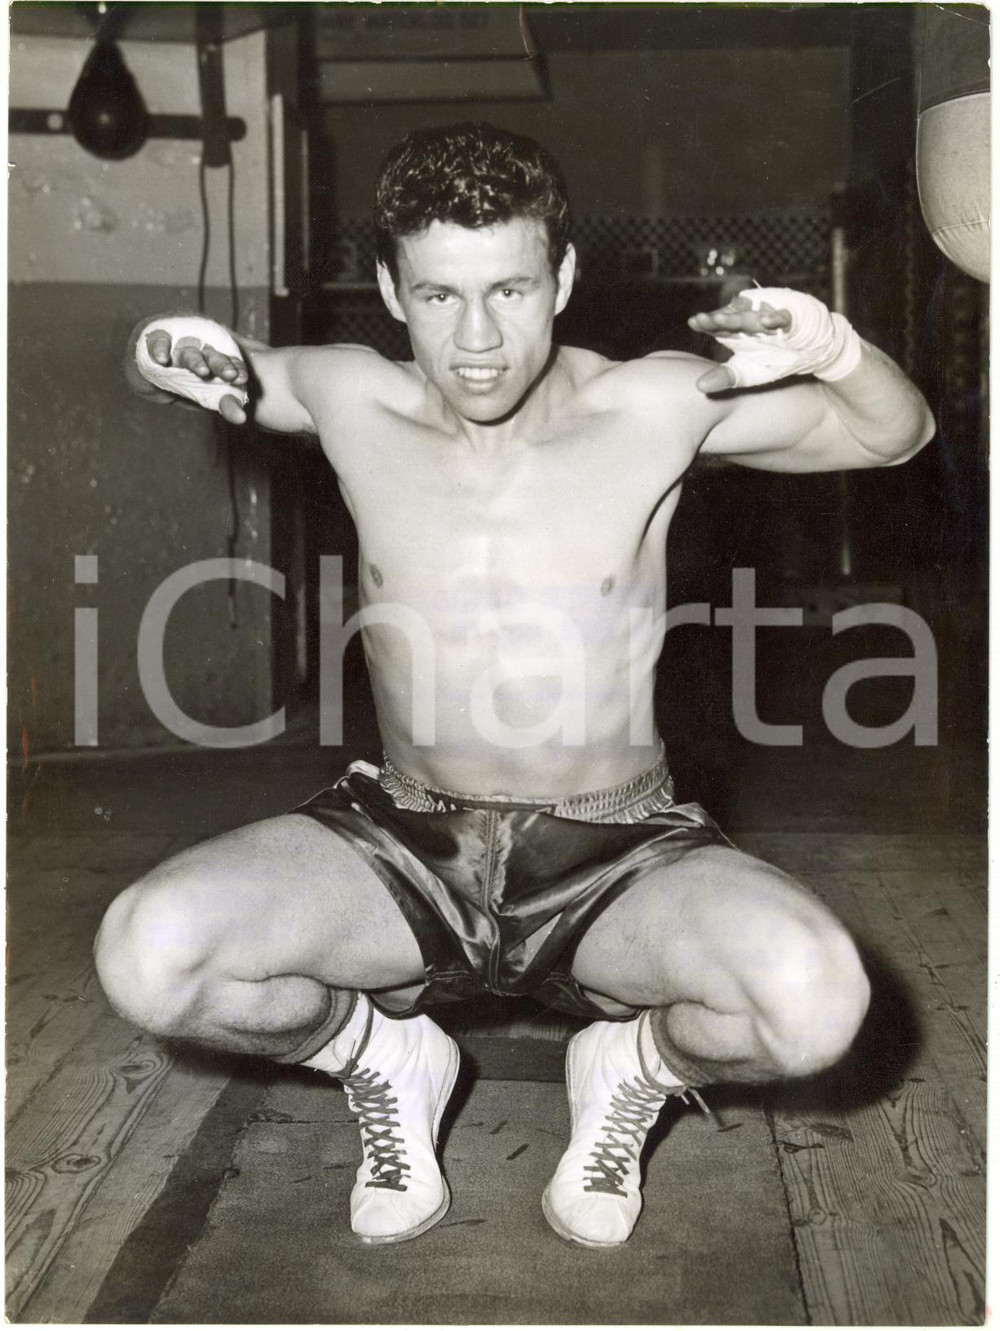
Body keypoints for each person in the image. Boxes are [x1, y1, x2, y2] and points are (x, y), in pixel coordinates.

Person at [95, 123, 934, 1250]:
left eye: (510, 290)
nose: (478, 338)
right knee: (150, 954)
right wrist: (164, 345)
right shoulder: (353, 397)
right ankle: (379, 1053)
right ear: (391, 289)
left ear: (564, 279)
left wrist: (831, 346)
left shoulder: (652, 404)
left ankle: (628, 1067)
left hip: (613, 845)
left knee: (813, 999)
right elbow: (214, 370)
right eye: (440, 295)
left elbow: (894, 435)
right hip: (405, 837)